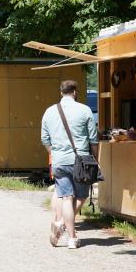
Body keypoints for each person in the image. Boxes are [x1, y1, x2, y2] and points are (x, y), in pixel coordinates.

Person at [41, 80, 98, 249]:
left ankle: (69, 234)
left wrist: (54, 153)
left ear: (61, 93)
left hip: (59, 160)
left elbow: (44, 139)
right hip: (80, 160)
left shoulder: (49, 112)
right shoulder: (85, 110)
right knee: (81, 196)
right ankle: (66, 229)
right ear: (75, 92)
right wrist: (95, 159)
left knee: (66, 197)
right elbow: (93, 139)